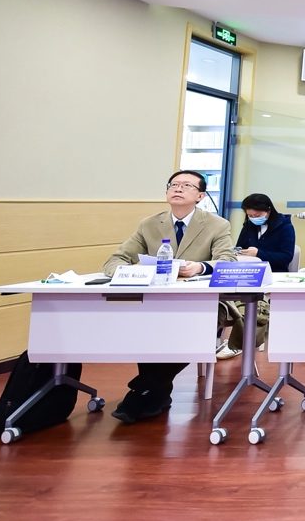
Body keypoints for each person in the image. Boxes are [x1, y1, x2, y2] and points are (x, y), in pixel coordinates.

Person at [101, 170, 237, 424]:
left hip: (205, 304)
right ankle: (155, 393)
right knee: (146, 326)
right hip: (158, 301)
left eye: (186, 185)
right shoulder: (150, 224)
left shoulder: (217, 224)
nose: (178, 189)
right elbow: (115, 260)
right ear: (166, 192)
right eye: (174, 185)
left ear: (200, 196)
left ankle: (144, 390)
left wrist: (200, 267)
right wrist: (138, 272)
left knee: (186, 328)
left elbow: (228, 261)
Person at [218, 193, 295, 360]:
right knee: (228, 300)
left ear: (268, 210)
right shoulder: (249, 225)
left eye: (257, 215)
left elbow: (286, 256)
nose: (253, 218)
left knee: (252, 304)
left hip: (273, 274)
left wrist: (259, 253)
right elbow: (240, 246)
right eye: (250, 215)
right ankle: (228, 339)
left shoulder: (285, 226)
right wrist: (238, 251)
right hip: (248, 273)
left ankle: (236, 344)